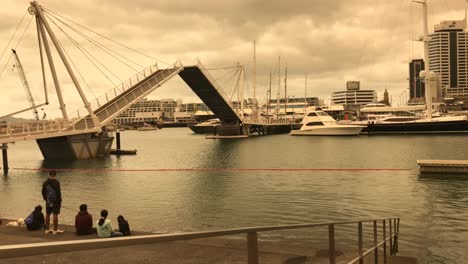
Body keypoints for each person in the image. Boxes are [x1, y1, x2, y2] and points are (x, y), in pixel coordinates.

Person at [41, 170, 63, 234]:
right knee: (55, 214)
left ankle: (47, 229)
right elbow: (58, 193)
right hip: (56, 201)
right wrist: (59, 201)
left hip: (48, 201)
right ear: (55, 175)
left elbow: (43, 192)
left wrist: (46, 199)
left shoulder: (45, 182)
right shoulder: (57, 183)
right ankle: (55, 230)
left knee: (47, 214)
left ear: (49, 174)